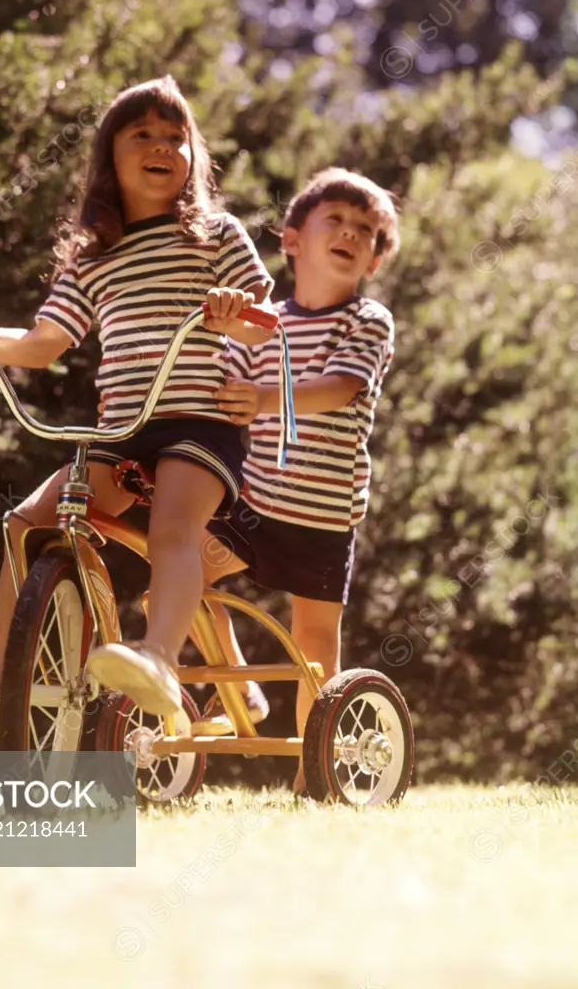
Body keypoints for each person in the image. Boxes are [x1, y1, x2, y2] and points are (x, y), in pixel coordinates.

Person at [0, 75, 276, 732]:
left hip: (199, 423)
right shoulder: (92, 257)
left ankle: (157, 656)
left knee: (173, 529)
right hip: (123, 431)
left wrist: (229, 313)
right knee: (28, 524)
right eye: (142, 135)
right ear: (109, 157)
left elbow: (261, 319)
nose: (162, 146)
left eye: (174, 136)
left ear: (193, 157)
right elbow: (43, 343)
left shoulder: (214, 235)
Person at [194, 166, 401, 794]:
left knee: (315, 653)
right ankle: (241, 692)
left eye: (364, 231)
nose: (349, 234)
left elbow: (340, 389)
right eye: (333, 221)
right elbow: (220, 387)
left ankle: (314, 776)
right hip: (254, 504)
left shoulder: (366, 321)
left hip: (321, 515)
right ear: (292, 240)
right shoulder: (262, 323)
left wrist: (259, 398)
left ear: (371, 260)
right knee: (175, 582)